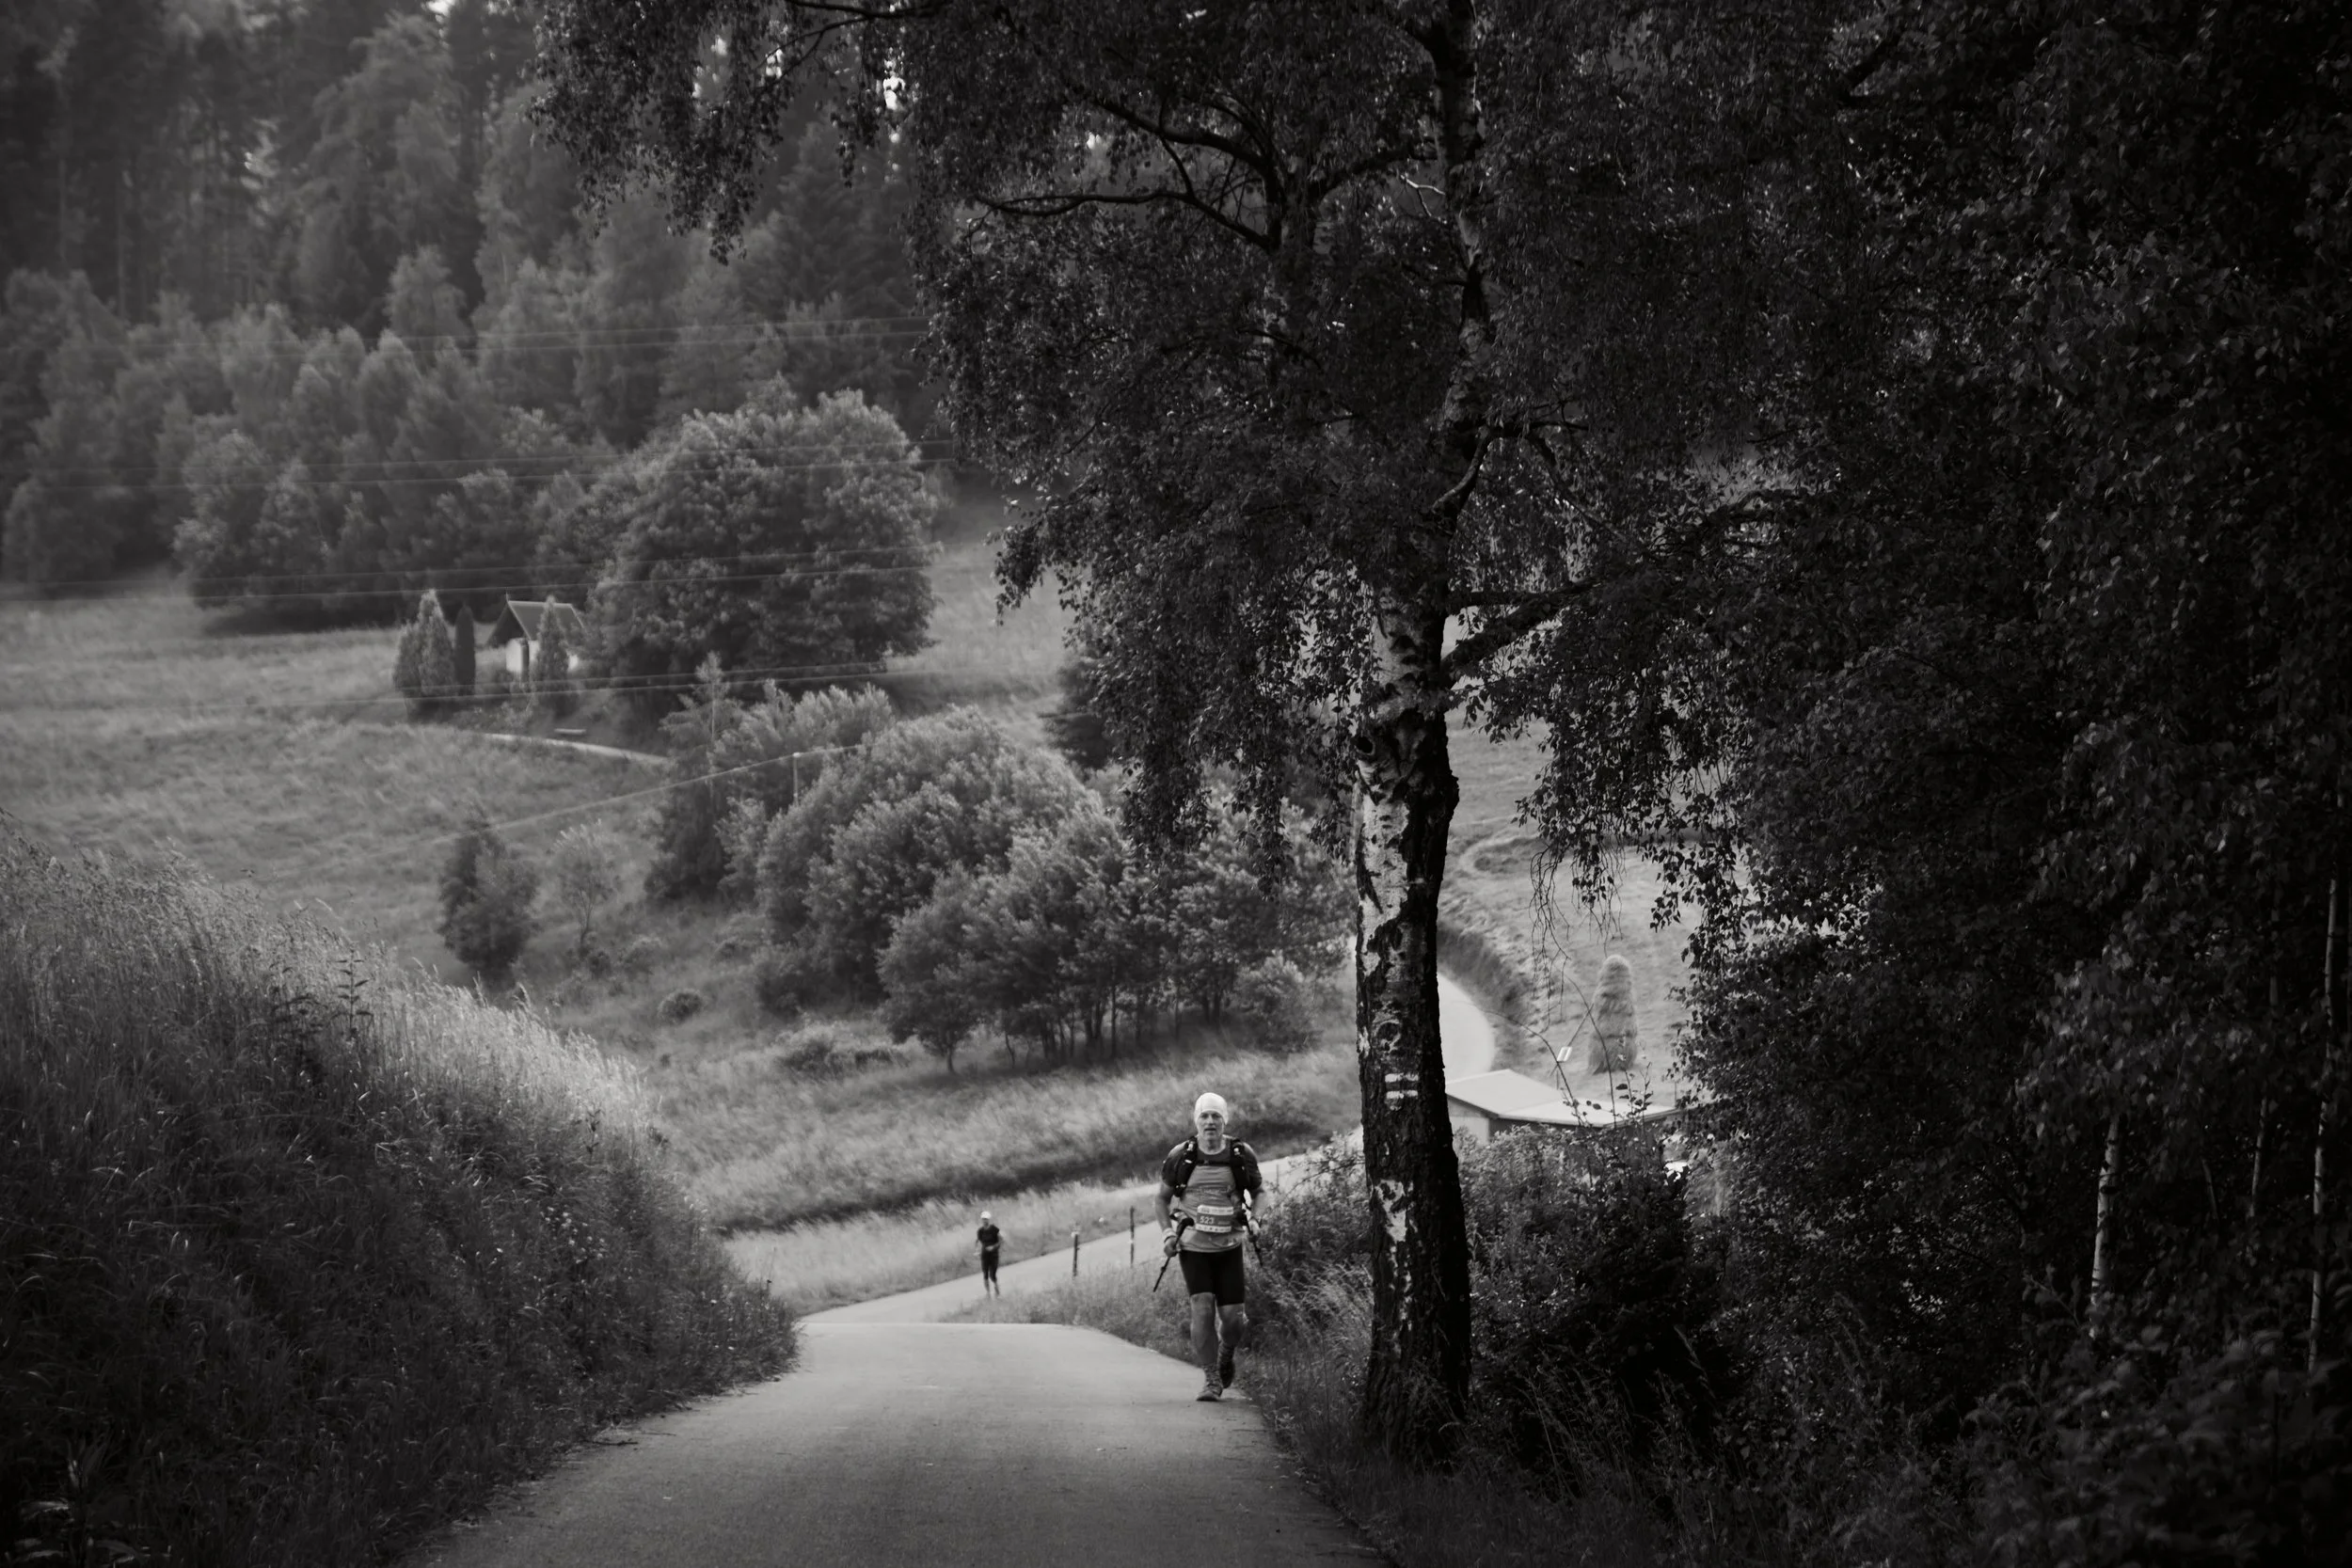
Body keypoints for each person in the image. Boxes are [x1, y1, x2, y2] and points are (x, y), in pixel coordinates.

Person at [1156, 1091, 1262, 1402]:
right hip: (1193, 1247)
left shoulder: (1240, 1154)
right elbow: (1161, 1199)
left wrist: (1256, 1220)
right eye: (1204, 1116)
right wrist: (1167, 1234)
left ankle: (1226, 1352)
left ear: (1225, 1120)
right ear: (1196, 1121)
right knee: (1201, 1307)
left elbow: (1260, 1192)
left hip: (1229, 1246)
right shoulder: (1181, 1156)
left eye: (1216, 1115)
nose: (1210, 1121)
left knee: (1233, 1320)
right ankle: (1211, 1379)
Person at [977, 1211, 1002, 1297]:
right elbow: (980, 1242)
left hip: (994, 1255)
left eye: (986, 1219)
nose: (985, 1220)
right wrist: (978, 1251)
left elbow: (1000, 1241)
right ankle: (988, 1293)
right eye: (983, 1219)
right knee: (985, 1274)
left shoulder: (994, 1229)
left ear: (989, 1219)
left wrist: (993, 1247)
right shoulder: (980, 1231)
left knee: (992, 1274)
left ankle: (996, 1287)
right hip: (985, 1255)